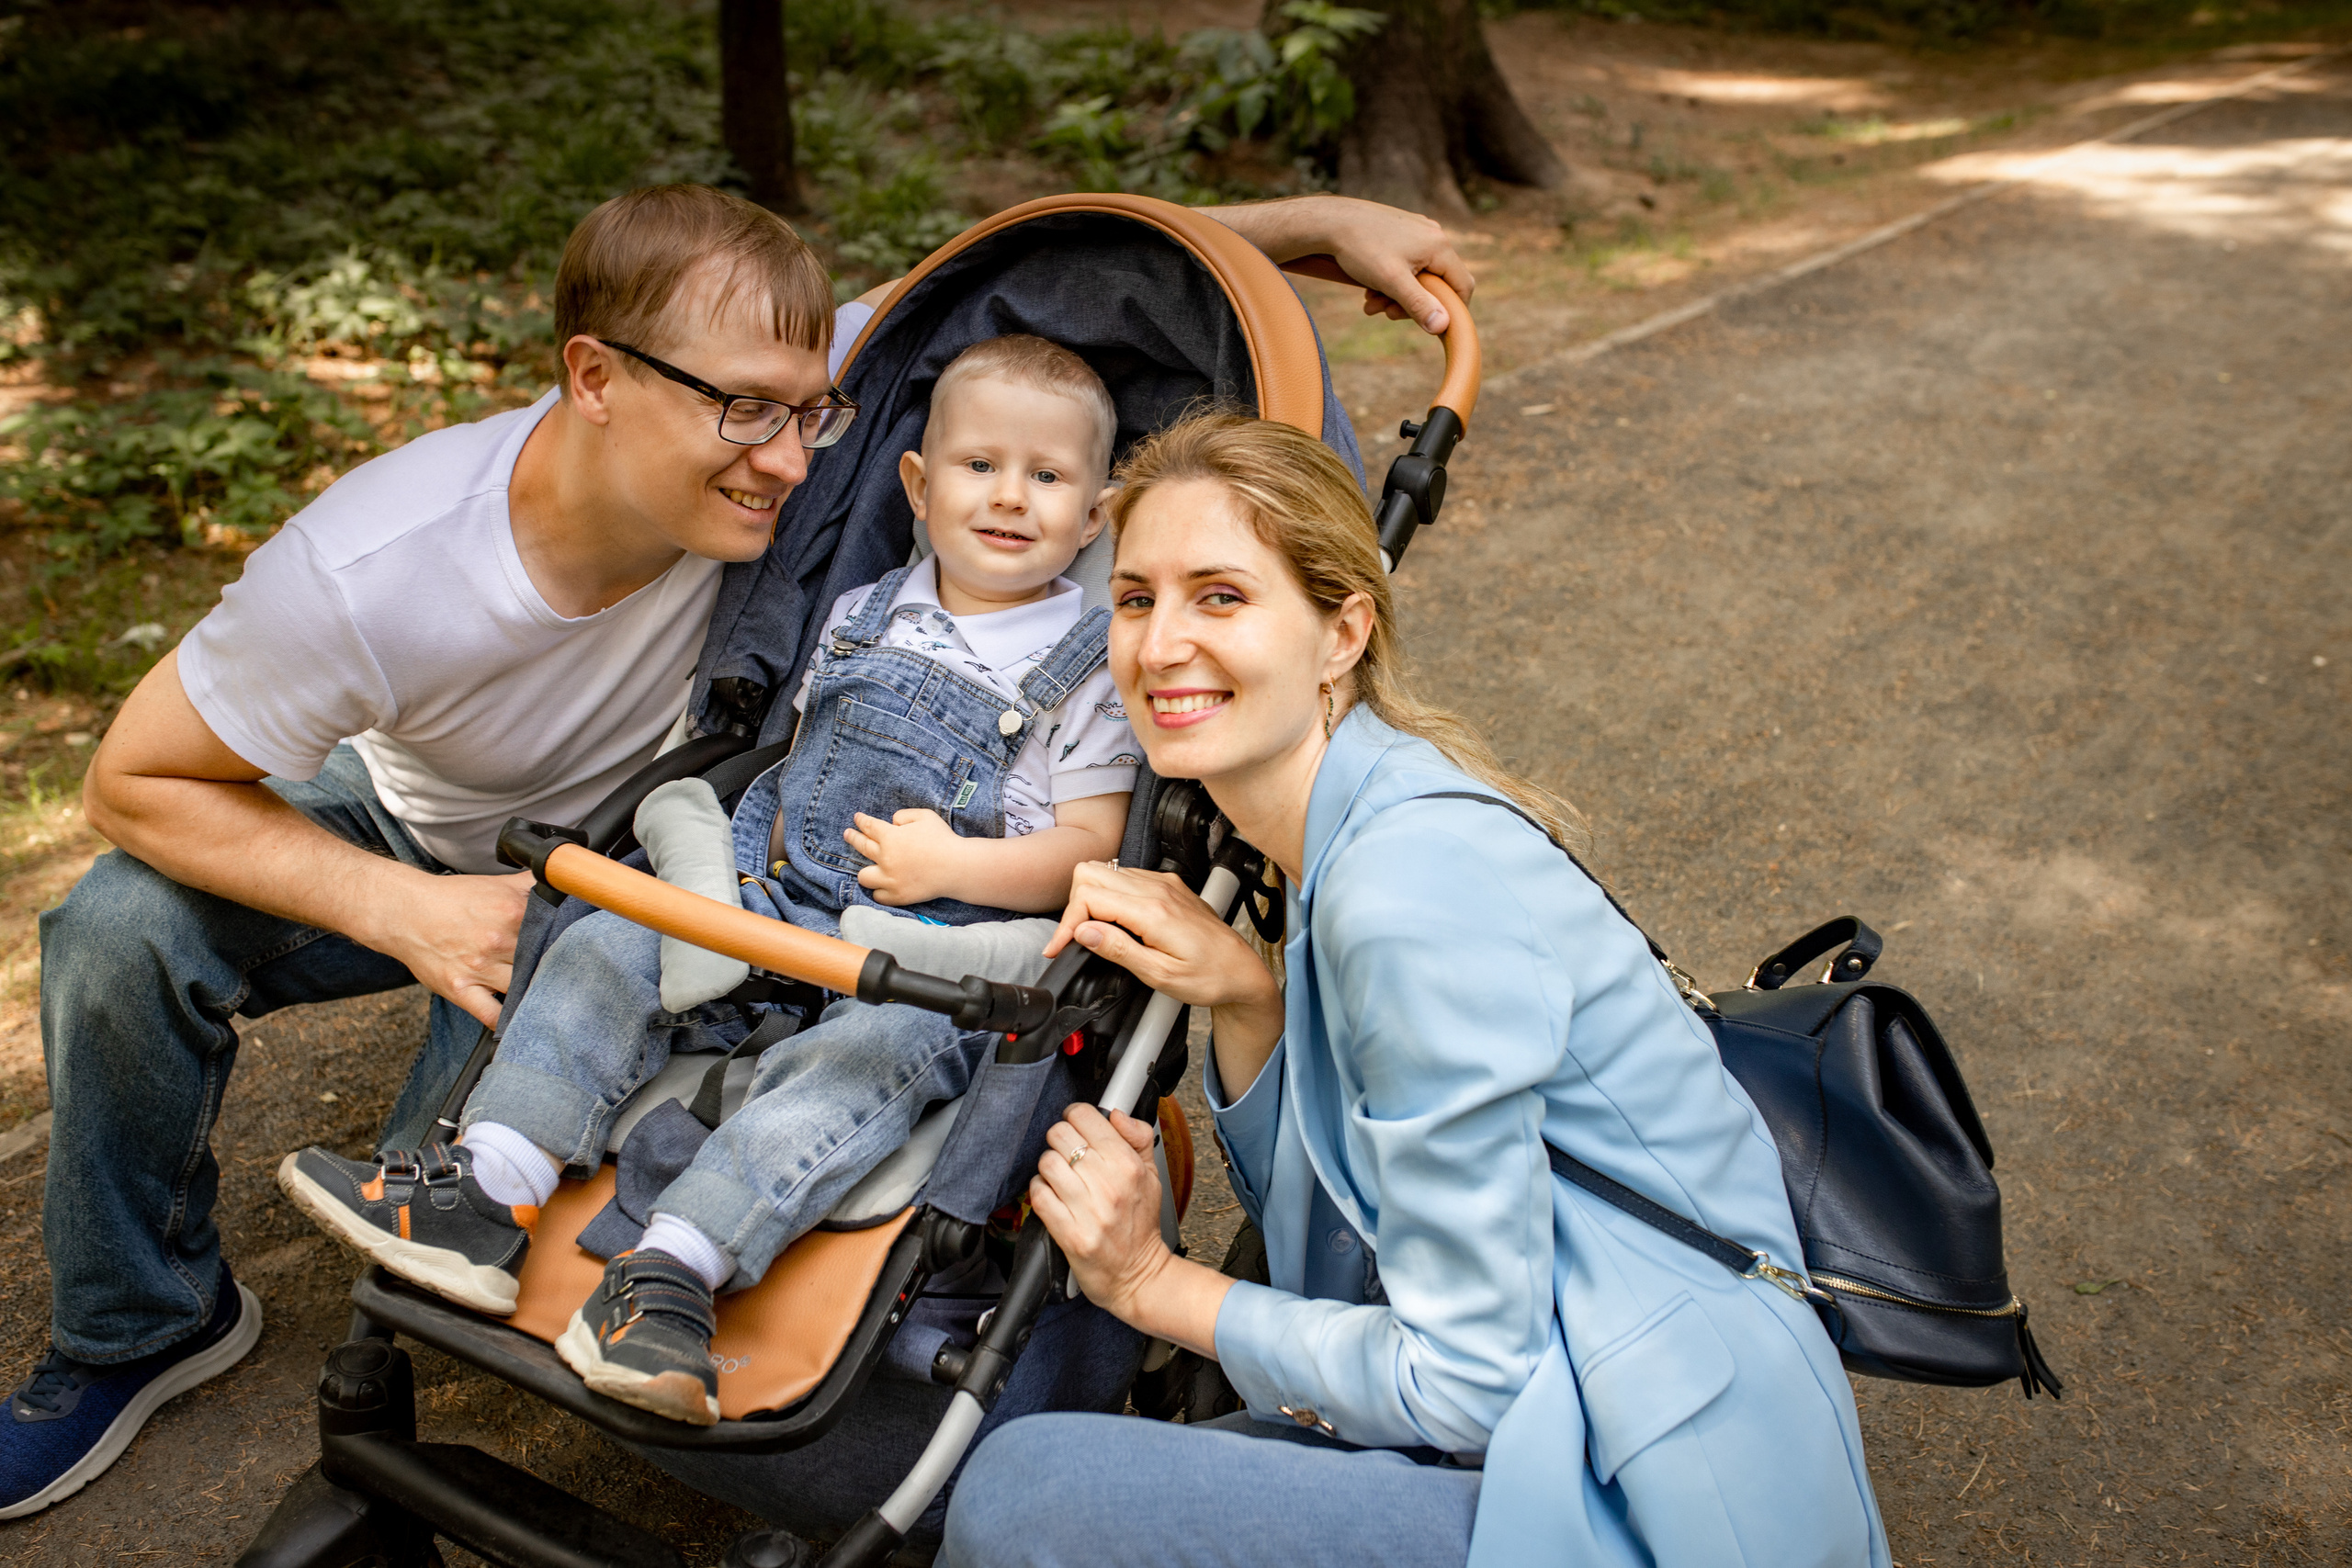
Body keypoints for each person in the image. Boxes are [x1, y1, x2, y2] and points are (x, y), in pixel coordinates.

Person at [4, 179, 1475, 1520]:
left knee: (580, 1131)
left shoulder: (854, 448)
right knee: (134, 929)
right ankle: (143, 1320)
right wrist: (412, 909)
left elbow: (1029, 275)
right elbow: (131, 777)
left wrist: (1317, 227)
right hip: (498, 847)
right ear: (594, 380)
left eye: (813, 414)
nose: (788, 459)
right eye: (749, 417)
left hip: (798, 904)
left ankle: (661, 1271)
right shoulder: (380, 565)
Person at [936, 413, 1892, 1568]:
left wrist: (1147, 1283)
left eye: (1222, 597)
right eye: (1135, 599)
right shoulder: (1355, 826)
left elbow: (1464, 1382)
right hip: (1601, 1399)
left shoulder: (1404, 894)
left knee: (1027, 1487)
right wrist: (1247, 1000)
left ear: (1342, 630)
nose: (1159, 644)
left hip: (1650, 1493)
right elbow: (1340, 1257)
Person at [277, 333, 1138, 1427]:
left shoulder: (1089, 662)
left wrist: (958, 865)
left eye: (1049, 477)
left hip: (923, 959)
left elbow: (1090, 843)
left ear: (1096, 515)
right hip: (770, 906)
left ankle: (675, 1272)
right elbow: (794, 763)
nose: (1010, 497)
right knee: (604, 942)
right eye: (979, 467)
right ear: (916, 486)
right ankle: (491, 1183)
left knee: (854, 1071)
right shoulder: (862, 609)